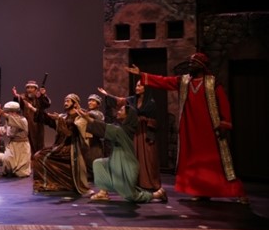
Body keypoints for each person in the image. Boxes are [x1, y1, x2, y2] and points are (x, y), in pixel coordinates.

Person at [126, 52, 248, 204]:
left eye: (193, 63)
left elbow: (223, 103)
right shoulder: (184, 81)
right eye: (190, 62)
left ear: (202, 66)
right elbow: (164, 81)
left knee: (217, 162)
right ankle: (202, 191)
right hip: (191, 129)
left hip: (209, 129)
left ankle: (239, 192)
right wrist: (142, 75)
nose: (190, 65)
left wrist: (224, 122)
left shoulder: (212, 82)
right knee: (195, 162)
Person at [78, 104, 168, 203]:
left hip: (126, 165)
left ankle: (156, 194)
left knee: (130, 196)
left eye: (121, 110)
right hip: (116, 162)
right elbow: (107, 127)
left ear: (128, 116)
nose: (118, 112)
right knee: (99, 164)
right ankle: (103, 192)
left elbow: (105, 128)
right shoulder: (122, 129)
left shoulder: (121, 131)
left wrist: (87, 118)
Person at [98, 80, 161, 191]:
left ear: (146, 88)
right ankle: (135, 182)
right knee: (134, 155)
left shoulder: (151, 102)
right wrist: (107, 95)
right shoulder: (132, 100)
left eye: (140, 86)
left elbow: (155, 120)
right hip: (134, 131)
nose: (137, 87)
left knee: (147, 157)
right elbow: (120, 101)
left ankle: (148, 183)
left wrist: (146, 121)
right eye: (136, 85)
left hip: (145, 133)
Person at [28, 93, 90, 195]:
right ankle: (48, 183)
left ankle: (51, 183)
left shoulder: (80, 118)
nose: (65, 103)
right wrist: (42, 100)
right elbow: (47, 120)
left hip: (70, 149)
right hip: (59, 146)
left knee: (40, 157)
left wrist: (59, 120)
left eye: (68, 101)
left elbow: (70, 133)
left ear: (75, 104)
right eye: (65, 101)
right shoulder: (63, 116)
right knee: (38, 156)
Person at [12, 80, 51, 156]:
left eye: (31, 88)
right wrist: (16, 96)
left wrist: (43, 95)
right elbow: (17, 104)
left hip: (38, 124)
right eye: (28, 88)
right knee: (28, 144)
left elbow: (47, 104)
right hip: (27, 124)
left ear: (36, 89)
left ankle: (38, 159)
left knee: (38, 143)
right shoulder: (23, 97)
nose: (29, 90)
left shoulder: (39, 97)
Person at [0, 101, 31, 177]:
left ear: (15, 112)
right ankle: (2, 159)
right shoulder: (10, 120)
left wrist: (3, 114)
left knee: (21, 173)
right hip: (12, 145)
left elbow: (15, 122)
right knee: (7, 160)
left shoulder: (22, 120)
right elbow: (5, 129)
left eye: (9, 112)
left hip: (22, 146)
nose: (8, 114)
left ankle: (19, 170)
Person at [83, 93, 105, 182]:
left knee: (94, 158)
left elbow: (96, 118)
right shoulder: (87, 113)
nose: (90, 102)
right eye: (89, 100)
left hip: (95, 140)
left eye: (93, 101)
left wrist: (84, 113)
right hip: (87, 139)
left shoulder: (98, 114)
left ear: (98, 104)